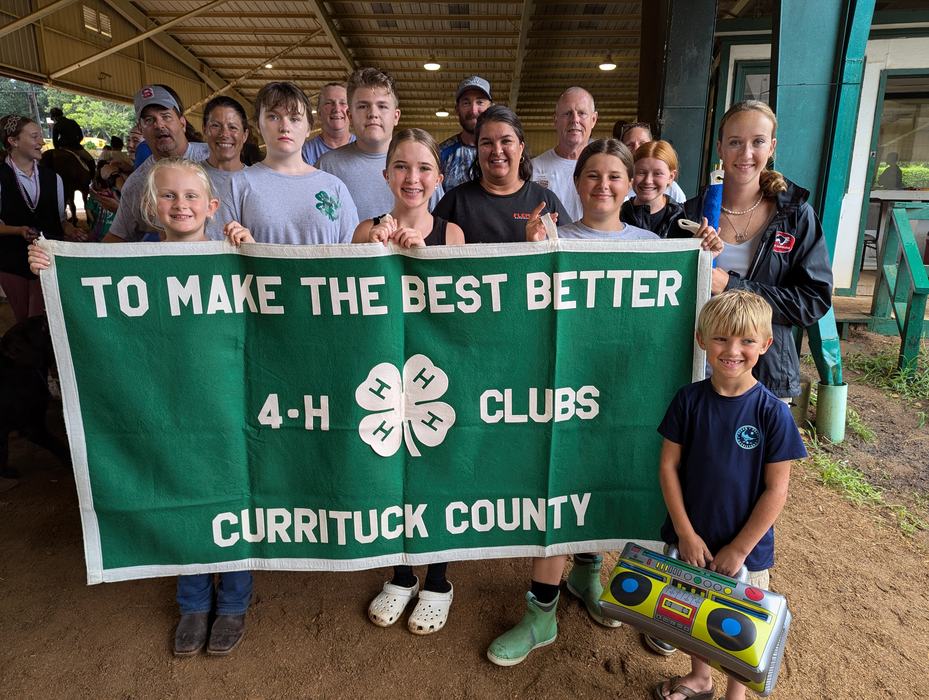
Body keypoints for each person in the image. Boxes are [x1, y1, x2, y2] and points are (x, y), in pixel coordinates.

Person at [492, 139, 721, 668]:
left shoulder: (651, 244)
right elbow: (516, 316)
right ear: (576, 183)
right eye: (592, 175)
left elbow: (686, 311)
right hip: (557, 397)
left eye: (614, 176)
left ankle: (587, 573)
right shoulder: (551, 239)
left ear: (630, 184)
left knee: (600, 484)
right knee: (556, 494)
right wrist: (528, 254)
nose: (603, 185)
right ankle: (540, 613)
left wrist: (705, 257)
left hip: (619, 394)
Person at [28, 157, 255, 657]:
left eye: (191, 196)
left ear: (212, 206)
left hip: (224, 405)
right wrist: (50, 264)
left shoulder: (231, 253)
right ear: (151, 206)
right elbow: (83, 285)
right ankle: (193, 601)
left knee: (233, 498)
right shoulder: (131, 260)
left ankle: (235, 600)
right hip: (167, 407)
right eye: (169, 196)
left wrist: (249, 248)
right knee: (182, 492)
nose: (181, 205)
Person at [651, 289, 806, 700]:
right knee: (692, 613)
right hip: (693, 541)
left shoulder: (773, 413)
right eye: (721, 338)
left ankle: (735, 696)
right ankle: (700, 678)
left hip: (746, 551)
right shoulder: (688, 400)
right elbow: (667, 467)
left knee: (739, 625)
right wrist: (685, 533)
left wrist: (739, 548)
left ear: (765, 344)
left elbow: (777, 489)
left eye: (746, 341)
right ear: (702, 339)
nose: (732, 350)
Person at [355, 129, 464, 634]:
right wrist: (374, 250)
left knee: (435, 475)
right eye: (401, 166)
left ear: (439, 178)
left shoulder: (453, 234)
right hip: (382, 377)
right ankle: (400, 574)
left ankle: (438, 580)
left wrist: (425, 259)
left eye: (423, 168)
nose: (412, 177)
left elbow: (459, 314)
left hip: (434, 379)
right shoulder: (363, 230)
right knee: (388, 474)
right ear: (386, 174)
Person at [682, 100, 832, 401]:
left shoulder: (795, 216)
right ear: (720, 148)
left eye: (758, 142)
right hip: (697, 375)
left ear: (772, 146)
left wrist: (732, 286)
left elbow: (813, 301)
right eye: (735, 142)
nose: (746, 153)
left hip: (766, 379)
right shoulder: (690, 214)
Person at [223, 81, 358, 244]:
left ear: (308, 128)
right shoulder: (237, 185)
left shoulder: (335, 187)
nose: (284, 127)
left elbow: (353, 253)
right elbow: (220, 252)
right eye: (273, 117)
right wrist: (248, 249)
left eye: (294, 119)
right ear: (258, 125)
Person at [433, 105, 569, 243]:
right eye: (487, 143)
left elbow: (571, 251)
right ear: (477, 150)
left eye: (506, 141)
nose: (497, 151)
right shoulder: (455, 202)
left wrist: (537, 247)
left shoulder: (545, 201)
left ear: (520, 148)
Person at [318, 68, 437, 221]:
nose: (373, 114)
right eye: (363, 106)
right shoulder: (328, 167)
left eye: (382, 106)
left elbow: (437, 225)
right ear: (350, 116)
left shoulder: (423, 166)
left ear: (396, 116)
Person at [0, 115, 84, 323]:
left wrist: (71, 230)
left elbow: (60, 220)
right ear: (13, 141)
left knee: (44, 320)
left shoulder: (53, 178)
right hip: (12, 260)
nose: (42, 142)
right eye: (34, 136)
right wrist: (18, 230)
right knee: (24, 321)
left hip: (47, 260)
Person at [105, 85, 210, 242]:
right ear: (141, 129)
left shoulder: (213, 158)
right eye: (149, 120)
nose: (159, 125)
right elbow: (118, 236)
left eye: (166, 116)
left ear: (182, 122)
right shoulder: (136, 183)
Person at [531, 87, 599, 224]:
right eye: (567, 113)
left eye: (582, 113)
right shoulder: (534, 168)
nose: (575, 119)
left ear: (593, 119)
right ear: (555, 120)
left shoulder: (605, 169)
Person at [200, 95, 249, 240]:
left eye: (233, 127)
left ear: (245, 135)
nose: (224, 134)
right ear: (204, 130)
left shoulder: (257, 181)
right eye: (215, 126)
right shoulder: (189, 176)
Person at [620, 140, 686, 238]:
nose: (648, 181)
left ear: (671, 177)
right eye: (641, 172)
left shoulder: (683, 220)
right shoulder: (618, 215)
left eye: (657, 174)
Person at [438, 76, 493, 191]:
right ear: (457, 109)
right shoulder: (441, 153)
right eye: (466, 103)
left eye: (480, 102)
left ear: (490, 107)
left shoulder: (501, 153)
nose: (473, 110)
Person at [614, 120, 686, 204]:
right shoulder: (616, 184)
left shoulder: (672, 190)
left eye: (643, 144)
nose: (637, 149)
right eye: (629, 145)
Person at [301, 82, 355, 166]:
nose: (337, 109)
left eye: (343, 103)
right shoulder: (306, 153)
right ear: (319, 113)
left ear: (351, 112)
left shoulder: (364, 148)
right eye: (329, 103)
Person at [49, 107, 96, 174]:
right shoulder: (72, 122)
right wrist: (75, 143)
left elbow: (55, 141)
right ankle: (93, 177)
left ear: (53, 117)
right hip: (76, 147)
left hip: (62, 148)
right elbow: (80, 136)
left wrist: (57, 150)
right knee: (90, 160)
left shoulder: (56, 125)